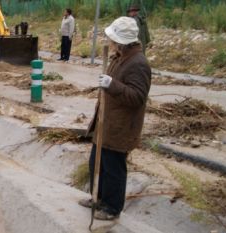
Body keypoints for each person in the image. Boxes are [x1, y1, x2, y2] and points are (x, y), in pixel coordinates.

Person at [78, 16, 151, 220]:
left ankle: (112, 207)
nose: (109, 43)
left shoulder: (138, 63)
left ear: (121, 42)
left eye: (112, 39)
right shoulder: (119, 56)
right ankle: (97, 197)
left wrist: (112, 85)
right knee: (97, 163)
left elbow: (137, 97)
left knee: (113, 169)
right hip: (106, 123)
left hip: (120, 127)